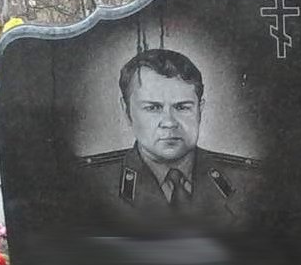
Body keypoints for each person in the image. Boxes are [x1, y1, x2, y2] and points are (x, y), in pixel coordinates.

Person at [78, 49, 260, 229]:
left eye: (182, 107)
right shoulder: (87, 185)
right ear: (127, 113)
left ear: (200, 110)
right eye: (153, 108)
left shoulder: (249, 181)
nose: (169, 123)